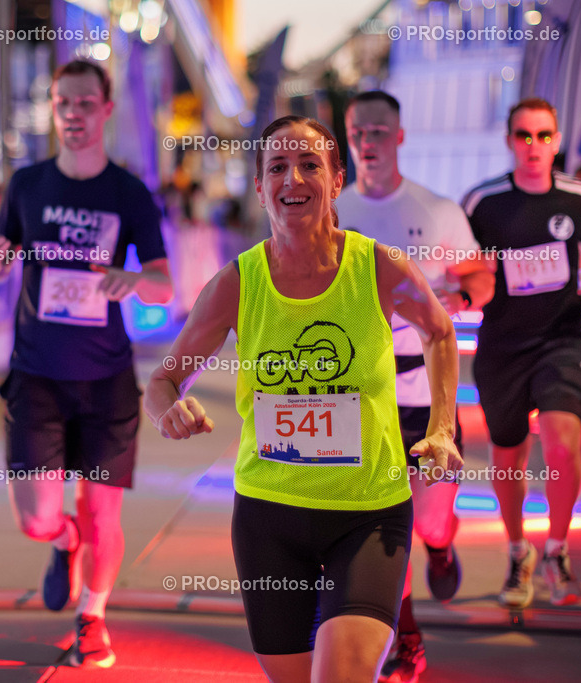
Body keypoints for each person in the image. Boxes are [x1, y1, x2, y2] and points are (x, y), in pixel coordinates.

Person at [145, 115, 462, 683]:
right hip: (270, 519)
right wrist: (168, 411)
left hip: (368, 514)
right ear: (262, 186)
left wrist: (441, 427)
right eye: (277, 167)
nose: (293, 178)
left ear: (337, 180)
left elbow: (440, 332)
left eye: (310, 164)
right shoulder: (236, 283)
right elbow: (163, 380)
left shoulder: (380, 267)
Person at [0, 60, 173, 669]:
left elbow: (165, 286)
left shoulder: (128, 191)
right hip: (36, 371)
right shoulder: (28, 184)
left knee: (102, 506)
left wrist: (134, 279)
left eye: (85, 103)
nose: (73, 114)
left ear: (106, 110)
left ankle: (94, 616)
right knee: (37, 518)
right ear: (53, 109)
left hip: (107, 375)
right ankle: (63, 542)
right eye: (63, 103)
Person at [335, 90, 494, 683]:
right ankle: (405, 634)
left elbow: (481, 272)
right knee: (383, 525)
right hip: (361, 394)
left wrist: (462, 296)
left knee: (427, 521)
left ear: (399, 138)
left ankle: (443, 542)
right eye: (358, 133)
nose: (369, 143)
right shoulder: (333, 212)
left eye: (379, 132)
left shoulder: (437, 210)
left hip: (429, 392)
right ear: (347, 140)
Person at [462, 97, 581, 609]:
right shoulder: (482, 203)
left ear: (557, 140)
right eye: (524, 136)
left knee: (563, 442)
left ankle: (557, 548)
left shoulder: (578, 198)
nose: (534, 146)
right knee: (508, 457)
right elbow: (465, 266)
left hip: (562, 341)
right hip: (502, 345)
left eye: (544, 136)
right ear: (509, 141)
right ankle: (517, 550)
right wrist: (468, 283)